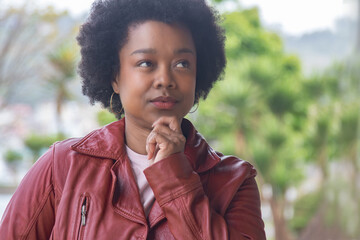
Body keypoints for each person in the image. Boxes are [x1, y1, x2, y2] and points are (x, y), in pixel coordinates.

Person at [0, 0, 266, 239]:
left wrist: (175, 176)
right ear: (115, 76)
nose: (165, 79)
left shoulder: (235, 181)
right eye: (146, 63)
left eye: (182, 64)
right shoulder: (62, 166)